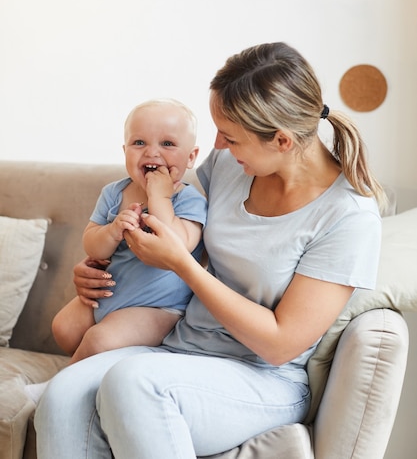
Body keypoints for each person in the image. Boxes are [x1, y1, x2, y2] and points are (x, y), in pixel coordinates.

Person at [35, 42, 385, 459]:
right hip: (180, 349)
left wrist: (182, 265)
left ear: (282, 141)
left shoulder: (348, 217)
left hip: (262, 376)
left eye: (230, 135)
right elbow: (171, 220)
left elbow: (280, 344)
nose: (217, 143)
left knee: (134, 383)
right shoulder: (230, 166)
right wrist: (101, 261)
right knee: (61, 396)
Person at [26, 98, 207, 403]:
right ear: (125, 151)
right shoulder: (114, 193)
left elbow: (178, 245)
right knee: (65, 328)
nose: (152, 152)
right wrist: (111, 231)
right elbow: (91, 243)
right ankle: (94, 372)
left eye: (167, 143)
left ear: (191, 157)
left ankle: (57, 390)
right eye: (139, 142)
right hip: (110, 294)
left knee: (99, 340)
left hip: (160, 309)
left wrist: (159, 197)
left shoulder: (189, 200)